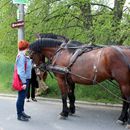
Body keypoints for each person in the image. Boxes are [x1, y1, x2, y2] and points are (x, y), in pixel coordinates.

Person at [15, 40, 31, 121]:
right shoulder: (21, 57)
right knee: (21, 98)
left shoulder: (23, 56)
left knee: (22, 97)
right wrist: (24, 82)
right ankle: (19, 115)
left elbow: (27, 67)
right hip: (23, 80)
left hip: (25, 79)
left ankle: (22, 112)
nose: (28, 49)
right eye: (28, 47)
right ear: (26, 47)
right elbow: (21, 71)